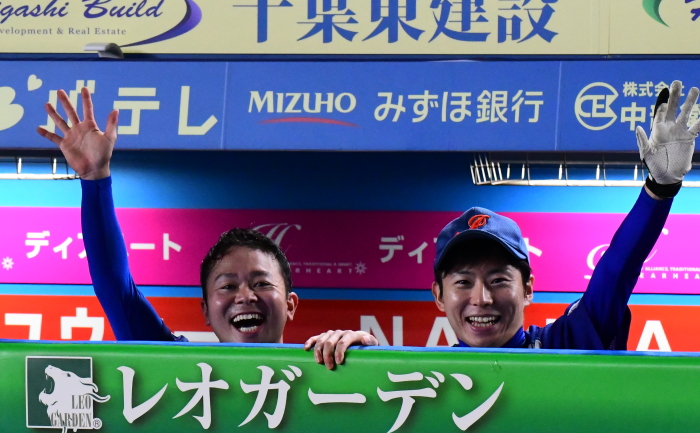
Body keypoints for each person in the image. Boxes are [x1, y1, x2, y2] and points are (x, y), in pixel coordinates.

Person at [305, 80, 700, 369]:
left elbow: (615, 270)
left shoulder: (564, 345)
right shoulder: (425, 378)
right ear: (439, 296)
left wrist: (659, 189)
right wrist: (354, 357)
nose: (482, 298)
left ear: (527, 289)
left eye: (498, 279)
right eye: (463, 282)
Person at [37, 88, 298, 343]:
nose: (245, 297)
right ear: (206, 311)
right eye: (227, 286)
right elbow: (116, 290)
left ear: (290, 304)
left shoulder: (319, 361)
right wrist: (95, 179)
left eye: (262, 284)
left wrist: (327, 350)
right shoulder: (177, 364)